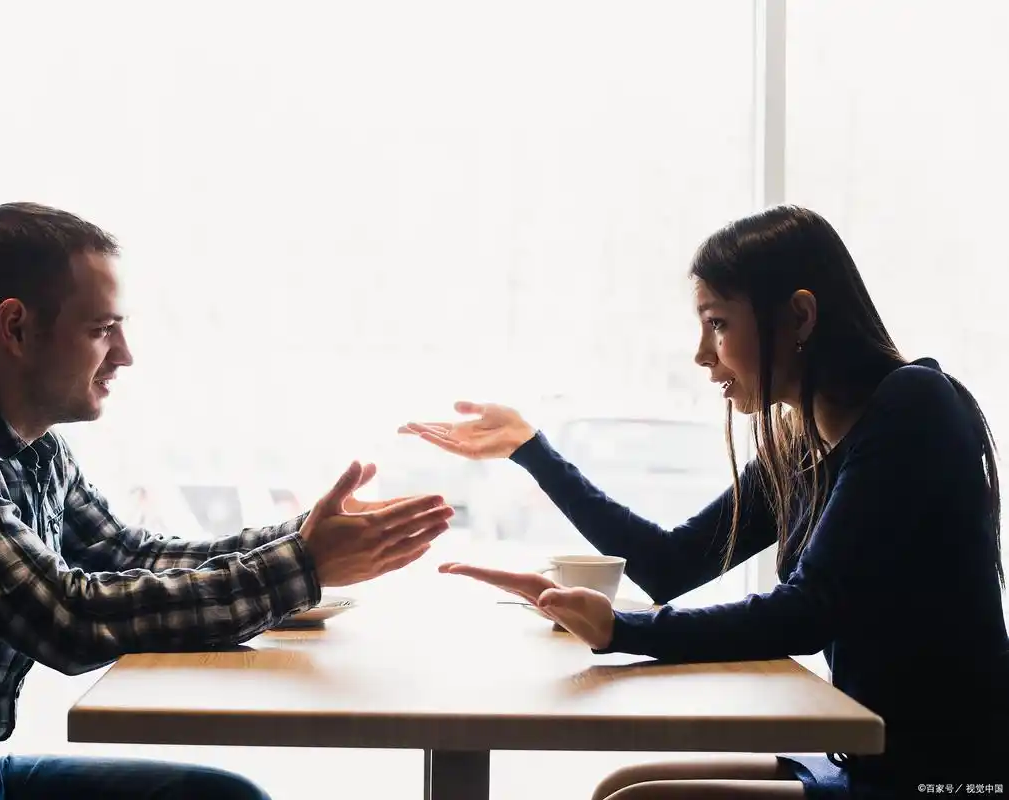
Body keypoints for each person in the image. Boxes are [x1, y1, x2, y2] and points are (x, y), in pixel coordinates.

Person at [0, 202, 454, 799]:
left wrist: (305, 537)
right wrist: (303, 566)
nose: (125, 354)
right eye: (102, 329)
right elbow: (66, 619)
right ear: (16, 328)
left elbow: (128, 556)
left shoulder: (32, 447)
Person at [399, 205, 1008, 798]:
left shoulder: (914, 404)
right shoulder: (800, 447)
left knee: (638, 799)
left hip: (947, 778)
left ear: (799, 317)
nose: (701, 353)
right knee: (625, 787)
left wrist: (619, 629)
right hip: (867, 759)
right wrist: (531, 450)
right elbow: (670, 563)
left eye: (717, 323)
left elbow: (808, 611)